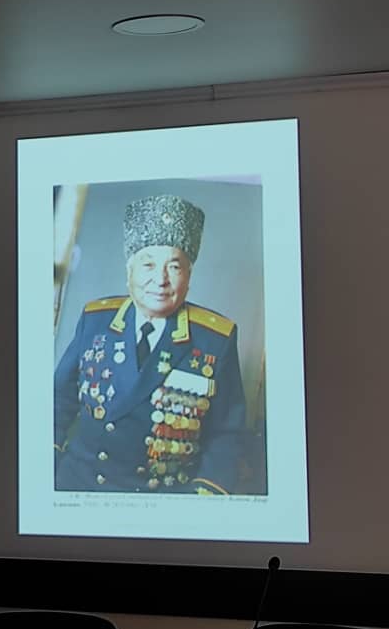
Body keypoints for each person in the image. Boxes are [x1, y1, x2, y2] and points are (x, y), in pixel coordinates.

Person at [54, 194, 249, 495]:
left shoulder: (215, 340)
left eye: (174, 267)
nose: (160, 280)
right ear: (129, 271)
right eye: (148, 265)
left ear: (189, 276)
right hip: (80, 484)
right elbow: (58, 400)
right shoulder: (96, 320)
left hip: (158, 498)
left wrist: (202, 499)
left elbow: (227, 434)